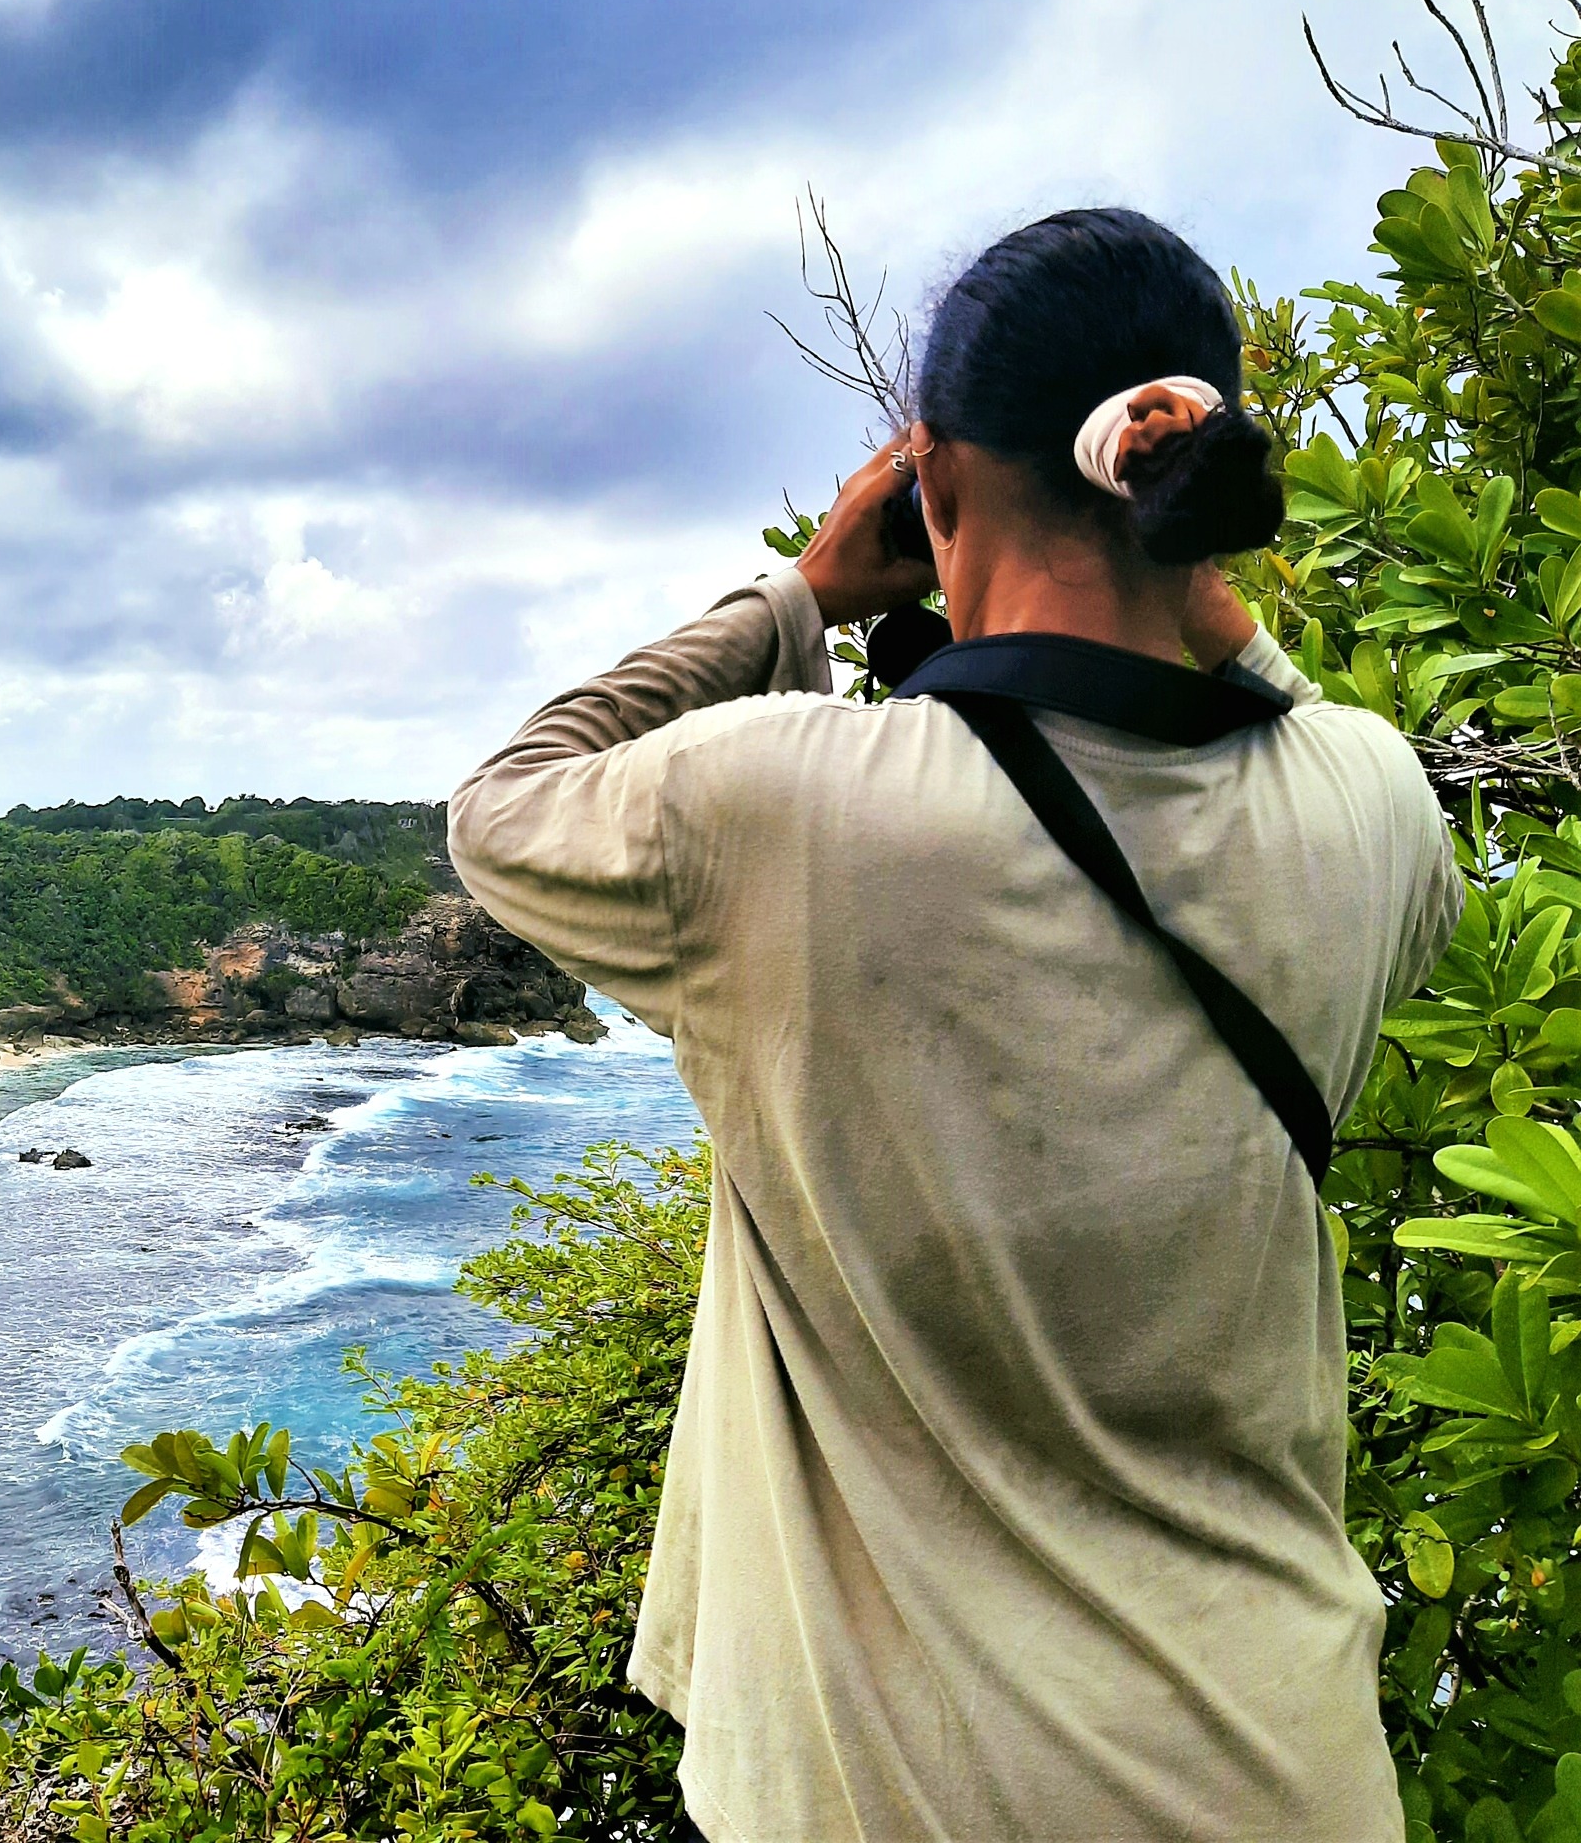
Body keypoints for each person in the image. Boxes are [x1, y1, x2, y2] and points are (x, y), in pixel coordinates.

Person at [447, 208, 1461, 1842]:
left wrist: (798, 595)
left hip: (901, 1792)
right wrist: (1204, 606)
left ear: (931, 480)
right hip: (1282, 1767)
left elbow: (504, 806)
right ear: (1196, 467)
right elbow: (1312, 758)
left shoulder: (784, 810)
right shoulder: (1376, 802)